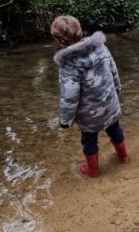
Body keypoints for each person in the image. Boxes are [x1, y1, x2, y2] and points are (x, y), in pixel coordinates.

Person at [51, 15, 130, 177]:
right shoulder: (100, 47)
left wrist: (66, 120)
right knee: (115, 129)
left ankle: (93, 171)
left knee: (89, 140)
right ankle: (124, 157)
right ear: (80, 30)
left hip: (89, 114)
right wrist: (117, 91)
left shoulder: (69, 64)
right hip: (110, 103)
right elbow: (114, 72)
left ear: (59, 39)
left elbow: (69, 96)